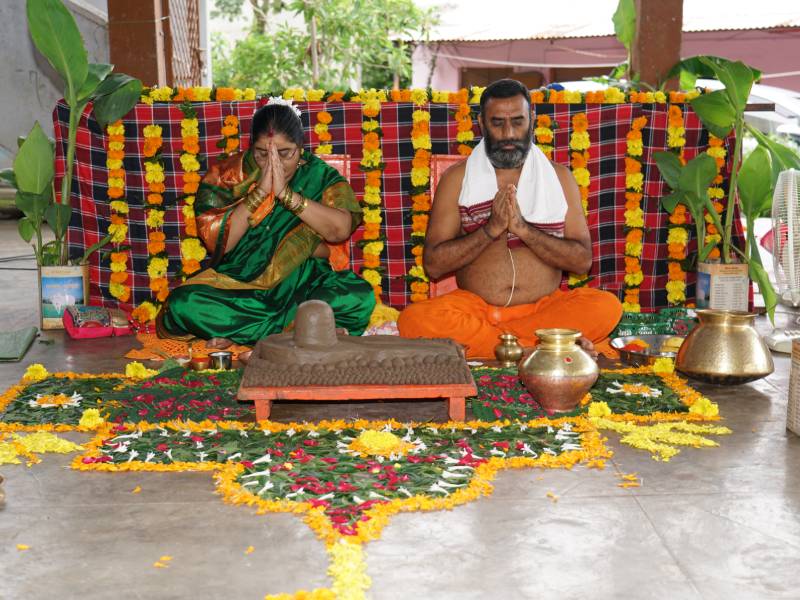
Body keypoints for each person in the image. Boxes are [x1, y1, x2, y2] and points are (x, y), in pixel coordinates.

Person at [397, 79, 622, 359]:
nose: (508, 133)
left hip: (543, 310)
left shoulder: (559, 177)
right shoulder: (457, 178)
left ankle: (507, 348)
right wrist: (490, 229)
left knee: (606, 306)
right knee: (414, 319)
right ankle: (541, 347)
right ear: (481, 122)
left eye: (517, 122)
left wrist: (523, 230)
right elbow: (433, 265)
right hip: (478, 310)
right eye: (497, 123)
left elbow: (581, 261)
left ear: (532, 120)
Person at [159, 100, 375, 352]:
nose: (275, 162)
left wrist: (286, 195)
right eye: (262, 153)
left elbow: (338, 230)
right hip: (238, 286)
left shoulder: (319, 175)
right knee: (183, 304)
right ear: (251, 147)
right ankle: (295, 334)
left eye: (285, 153)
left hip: (304, 285)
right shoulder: (228, 175)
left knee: (357, 296)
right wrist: (260, 192)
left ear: (301, 148)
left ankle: (246, 335)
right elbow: (220, 243)